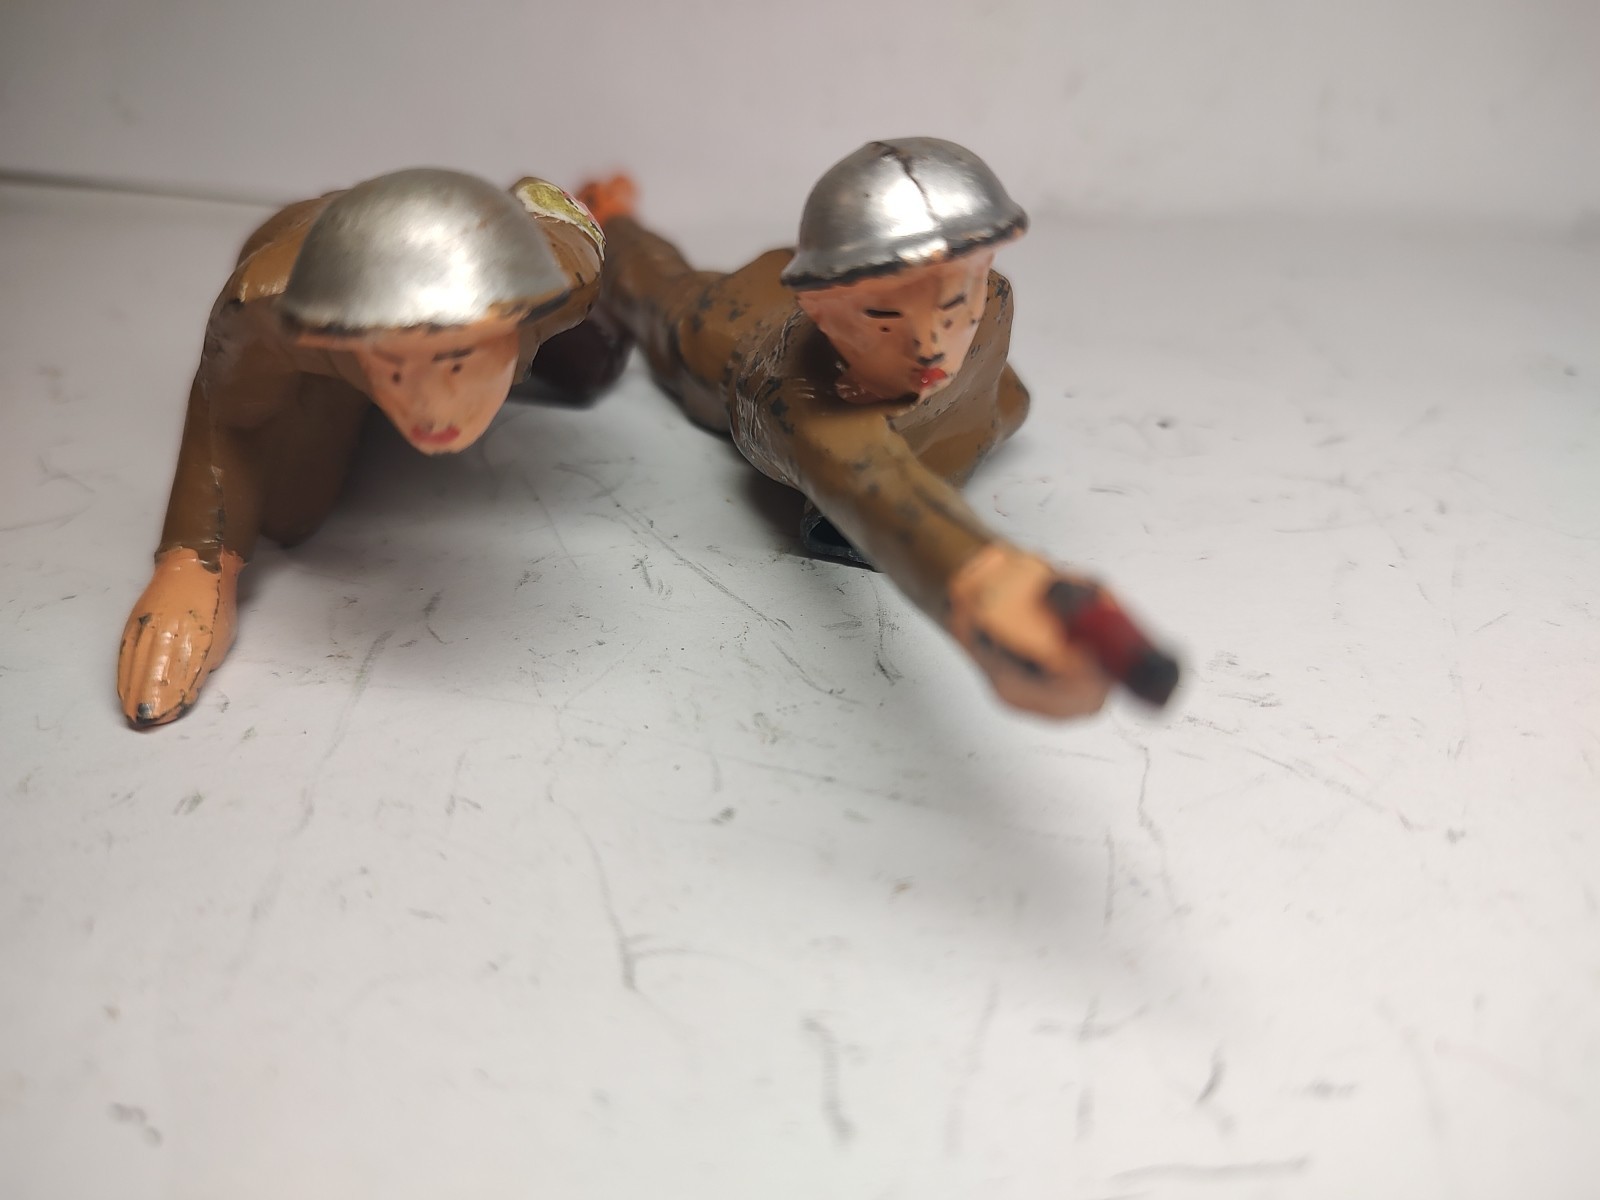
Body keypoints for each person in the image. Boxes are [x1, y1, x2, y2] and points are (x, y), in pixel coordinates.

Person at [581, 139, 1177, 719]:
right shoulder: (798, 397)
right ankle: (605, 216)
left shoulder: (990, 301)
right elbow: (877, 485)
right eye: (885, 317)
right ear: (820, 308)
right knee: (663, 295)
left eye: (953, 306)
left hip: (833, 298)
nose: (929, 345)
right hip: (732, 326)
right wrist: (989, 589)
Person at [118, 168, 626, 728]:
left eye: (455, 364)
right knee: (290, 515)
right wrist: (196, 563)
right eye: (397, 369)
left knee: (596, 360)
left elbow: (553, 208)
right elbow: (227, 417)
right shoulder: (268, 311)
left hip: (512, 303)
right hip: (325, 316)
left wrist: (595, 210)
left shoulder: (565, 270)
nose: (431, 410)